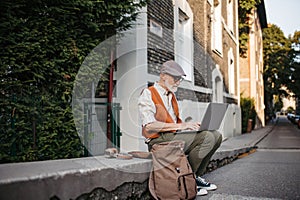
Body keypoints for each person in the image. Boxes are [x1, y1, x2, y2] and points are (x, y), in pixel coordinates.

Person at [138, 60, 222, 196]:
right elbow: (149, 126)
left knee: (216, 136)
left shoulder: (172, 96)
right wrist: (181, 125)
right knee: (206, 138)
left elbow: (174, 124)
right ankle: (188, 179)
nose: (177, 82)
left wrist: (192, 127)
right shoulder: (148, 93)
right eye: (175, 78)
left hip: (172, 136)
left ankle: (193, 177)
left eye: (179, 79)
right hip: (157, 141)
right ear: (163, 75)